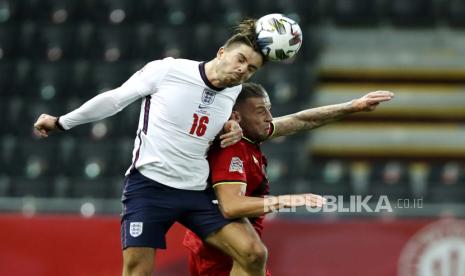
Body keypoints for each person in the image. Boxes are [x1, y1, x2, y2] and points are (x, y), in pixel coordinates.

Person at [33, 19, 314, 276]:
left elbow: (268, 124)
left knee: (253, 253)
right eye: (240, 60)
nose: (243, 70)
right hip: (149, 188)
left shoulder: (234, 93)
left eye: (251, 68)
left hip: (197, 192)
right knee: (137, 271)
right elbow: (115, 99)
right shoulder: (168, 70)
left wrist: (231, 125)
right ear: (221, 53)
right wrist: (61, 122)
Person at [183, 83, 394, 275]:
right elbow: (230, 205)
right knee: (255, 255)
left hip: (236, 246)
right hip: (221, 251)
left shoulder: (250, 136)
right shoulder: (232, 149)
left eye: (268, 108)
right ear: (236, 117)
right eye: (260, 111)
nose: (269, 116)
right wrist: (287, 200)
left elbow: (301, 120)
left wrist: (353, 106)